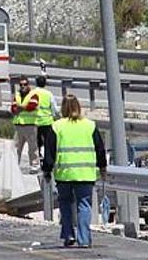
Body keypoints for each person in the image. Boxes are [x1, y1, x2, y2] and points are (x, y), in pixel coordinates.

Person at [42, 94, 107, 248]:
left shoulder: (57, 126)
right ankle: (84, 239)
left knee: (65, 204)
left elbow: (49, 152)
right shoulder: (90, 125)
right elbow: (100, 149)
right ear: (78, 106)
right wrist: (103, 167)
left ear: (63, 108)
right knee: (84, 205)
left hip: (64, 174)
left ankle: (68, 234)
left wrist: (47, 170)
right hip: (85, 174)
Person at [11, 76, 39, 171]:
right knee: (16, 148)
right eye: (21, 84)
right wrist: (21, 108)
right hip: (19, 125)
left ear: (28, 85)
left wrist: (21, 107)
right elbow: (13, 108)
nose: (23, 86)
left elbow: (32, 106)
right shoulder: (17, 94)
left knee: (32, 148)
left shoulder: (33, 94)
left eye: (25, 84)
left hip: (30, 125)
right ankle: (14, 165)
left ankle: (34, 166)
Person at [31, 75, 57, 162]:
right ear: (45, 84)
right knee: (48, 142)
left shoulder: (32, 93)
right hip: (47, 121)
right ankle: (48, 158)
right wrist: (54, 116)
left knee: (36, 142)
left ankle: (37, 157)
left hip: (35, 121)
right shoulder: (49, 94)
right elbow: (54, 108)